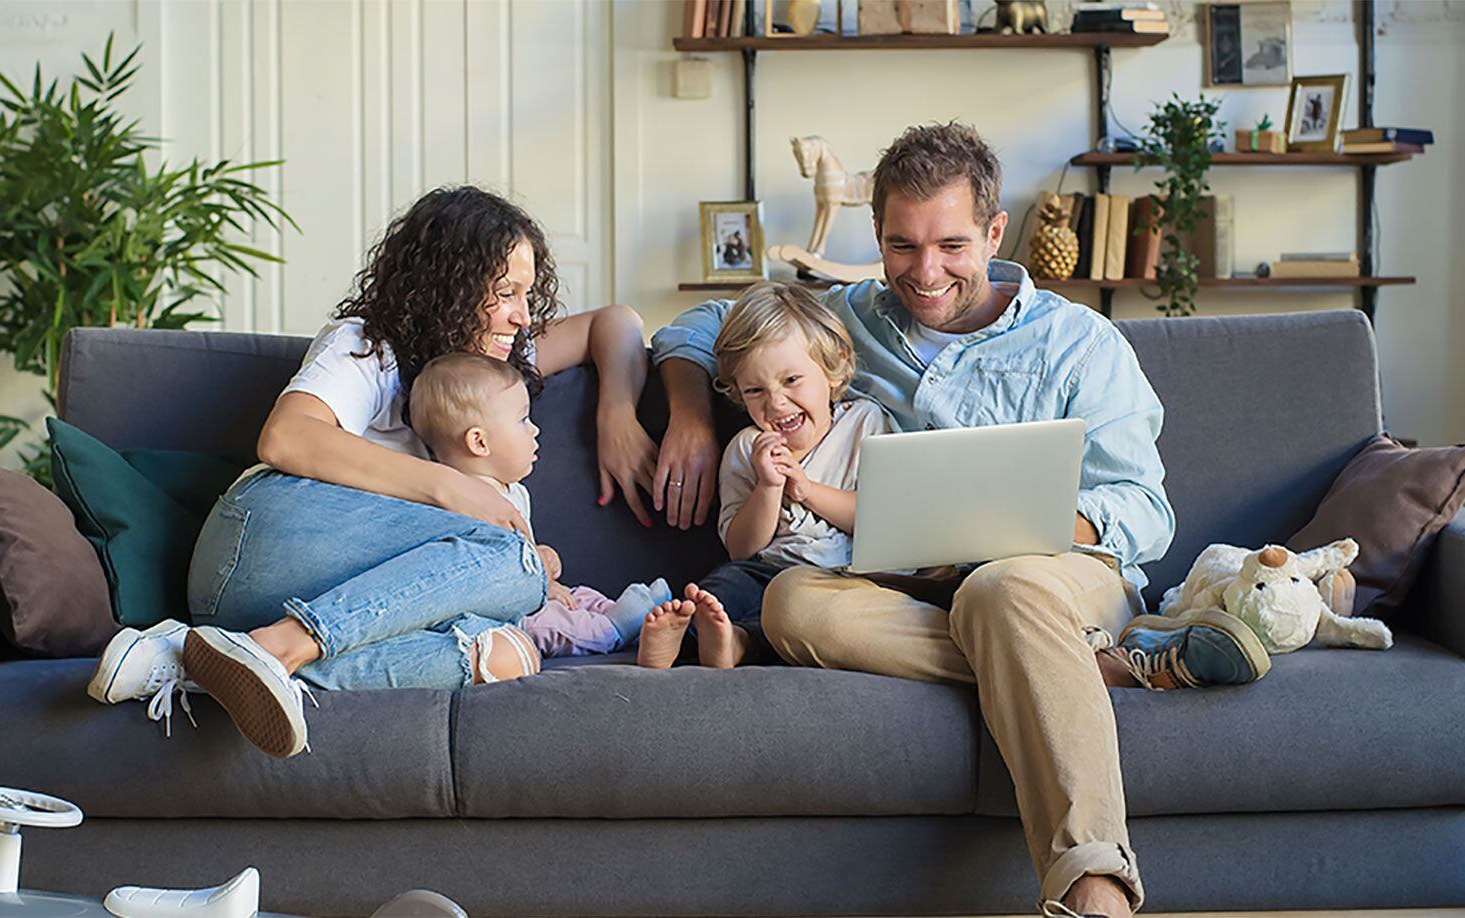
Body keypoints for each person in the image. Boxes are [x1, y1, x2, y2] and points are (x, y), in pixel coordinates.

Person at [647, 123, 1270, 916]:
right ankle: (1091, 665)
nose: (925, 271)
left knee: (1001, 591)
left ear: (994, 233)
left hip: (1052, 577)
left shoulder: (1079, 342)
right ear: (876, 236)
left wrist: (1028, 526)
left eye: (950, 244)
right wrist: (692, 417)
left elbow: (1145, 512)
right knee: (792, 602)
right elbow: (698, 329)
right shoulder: (846, 320)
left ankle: (1094, 888)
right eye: (901, 246)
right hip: (906, 584)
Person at [168, 185, 657, 759]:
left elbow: (616, 324)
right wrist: (452, 492)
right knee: (514, 561)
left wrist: (618, 415)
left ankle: (197, 663)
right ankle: (284, 647)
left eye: (526, 294)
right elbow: (285, 438)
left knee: (509, 650)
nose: (522, 317)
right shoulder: (368, 347)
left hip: (279, 604)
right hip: (260, 544)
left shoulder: (486, 368)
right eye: (505, 293)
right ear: (448, 288)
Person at [634, 281, 890, 670]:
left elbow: (878, 519)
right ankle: (681, 641)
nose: (776, 402)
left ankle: (738, 643)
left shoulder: (865, 424)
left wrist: (806, 490)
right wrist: (768, 488)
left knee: (811, 616)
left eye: (791, 380)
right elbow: (742, 547)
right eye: (755, 390)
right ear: (737, 392)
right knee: (723, 588)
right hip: (766, 569)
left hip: (844, 576)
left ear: (834, 369)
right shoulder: (745, 448)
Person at [408, 351, 672, 659]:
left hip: (535, 592)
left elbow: (522, 553)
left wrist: (543, 561)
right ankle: (611, 630)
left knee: (579, 595)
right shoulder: (464, 505)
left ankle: (626, 612)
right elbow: (490, 579)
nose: (535, 429)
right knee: (552, 624)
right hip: (505, 615)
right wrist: (541, 580)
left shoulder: (514, 491)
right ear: (479, 442)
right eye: (523, 420)